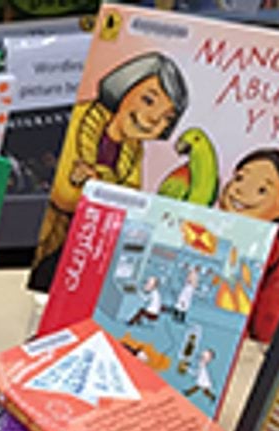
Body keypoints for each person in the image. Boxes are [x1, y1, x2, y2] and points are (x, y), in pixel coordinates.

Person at [33, 52, 189, 289]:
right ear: (124, 87)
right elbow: (65, 194)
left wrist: (98, 182)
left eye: (166, 118)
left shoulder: (134, 149)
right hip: (46, 242)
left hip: (88, 252)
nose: (151, 120)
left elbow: (130, 204)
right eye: (148, 100)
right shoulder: (79, 117)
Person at [218, 149, 279, 342]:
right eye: (239, 179)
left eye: (262, 190)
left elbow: (268, 325)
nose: (239, 190)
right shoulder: (209, 231)